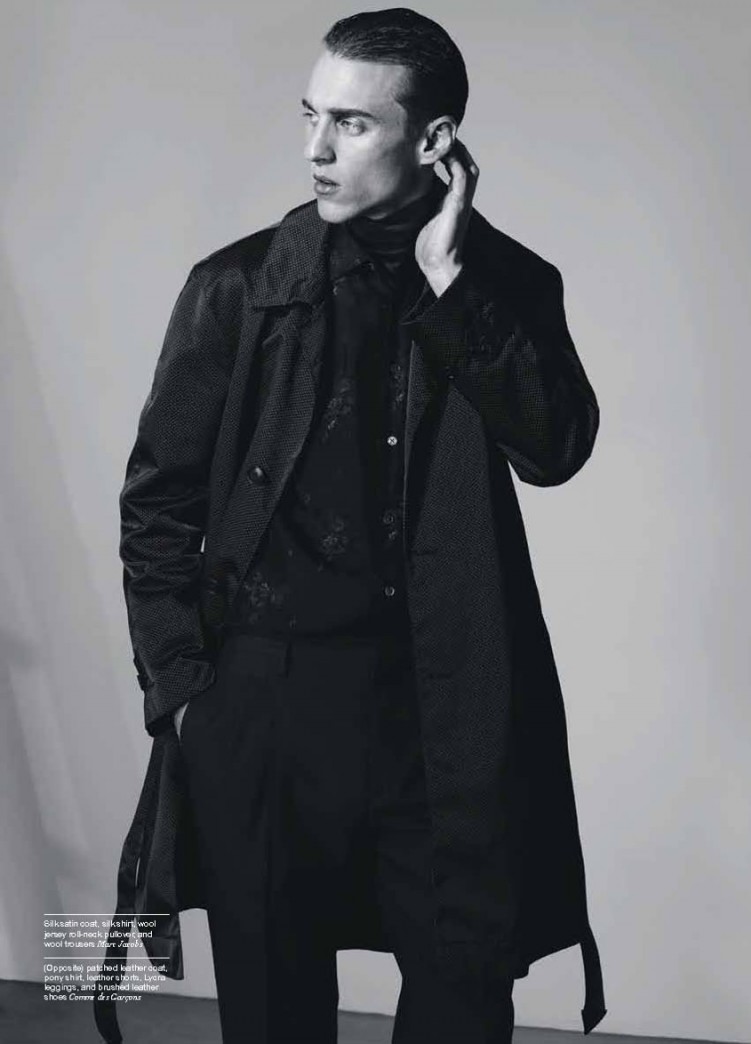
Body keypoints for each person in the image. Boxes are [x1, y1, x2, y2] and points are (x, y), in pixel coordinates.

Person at [94, 8, 607, 1043]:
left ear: (434, 140)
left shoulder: (505, 284)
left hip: (440, 708)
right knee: (272, 1010)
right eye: (310, 117)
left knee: (464, 994)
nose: (316, 150)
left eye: (352, 124)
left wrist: (451, 284)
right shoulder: (239, 289)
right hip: (267, 705)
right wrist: (183, 691)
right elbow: (157, 503)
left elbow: (553, 448)